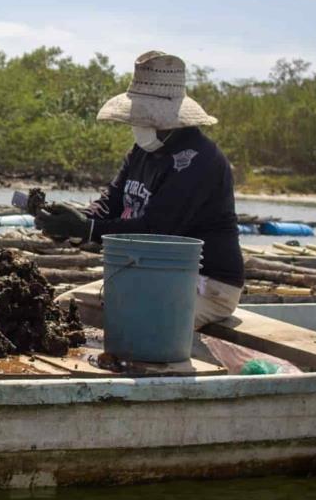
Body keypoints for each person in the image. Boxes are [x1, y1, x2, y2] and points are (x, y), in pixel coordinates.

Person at [36, 50, 244, 331]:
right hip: (144, 276)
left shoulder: (200, 160)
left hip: (204, 284)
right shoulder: (142, 151)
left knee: (143, 329)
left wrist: (88, 229)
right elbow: (110, 203)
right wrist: (71, 222)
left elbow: (156, 230)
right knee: (60, 310)